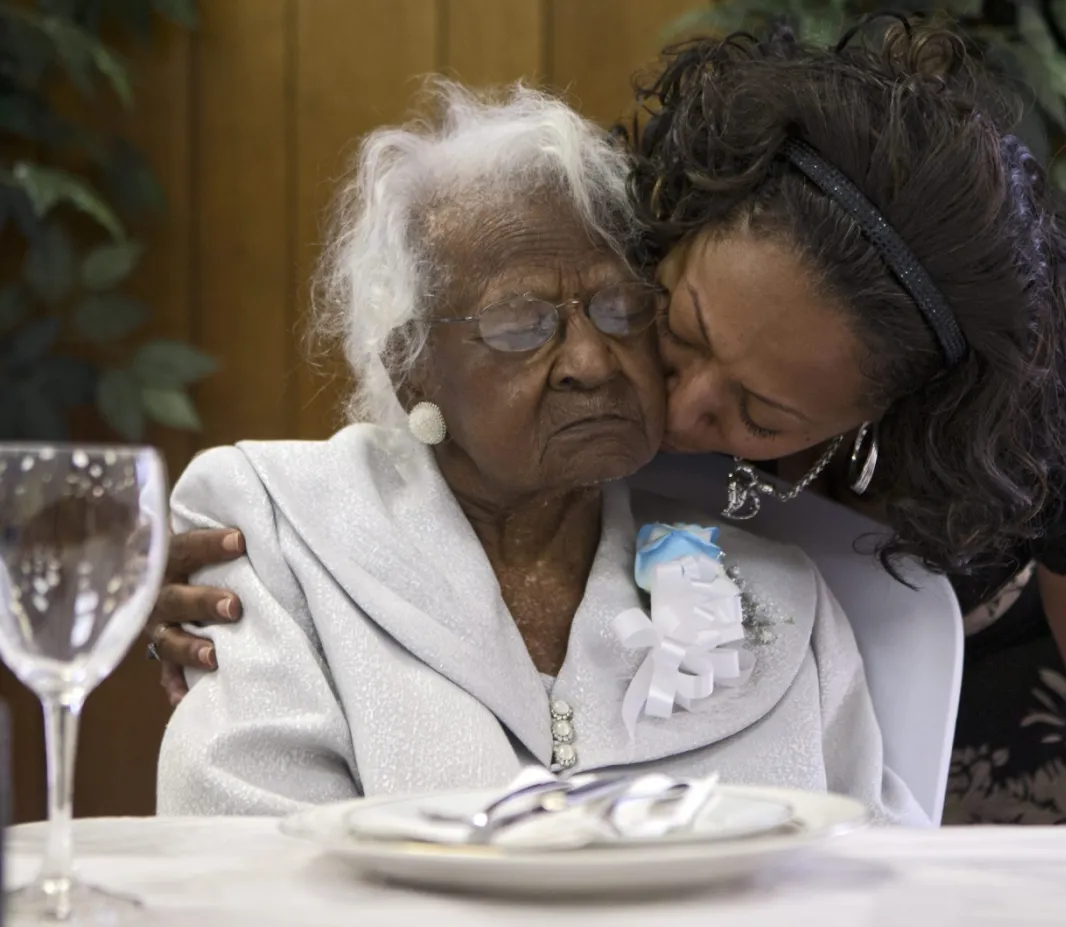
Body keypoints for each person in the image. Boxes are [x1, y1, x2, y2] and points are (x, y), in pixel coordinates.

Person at [149, 20, 1066, 828]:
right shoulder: (643, 213)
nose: (668, 407)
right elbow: (434, 357)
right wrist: (271, 564)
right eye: (673, 324)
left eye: (756, 408)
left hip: (1039, 614)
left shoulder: (1065, 432)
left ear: (873, 413)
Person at [155, 83, 924, 825]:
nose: (589, 360)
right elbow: (244, 851)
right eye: (521, 324)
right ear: (411, 364)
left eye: (620, 307)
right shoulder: (280, 529)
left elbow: (870, 864)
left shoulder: (780, 595)